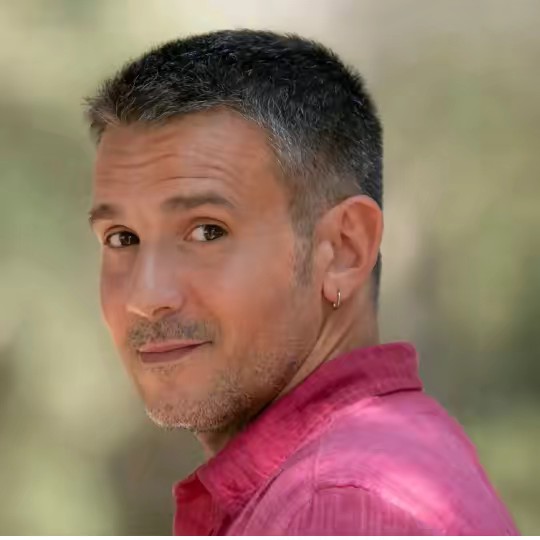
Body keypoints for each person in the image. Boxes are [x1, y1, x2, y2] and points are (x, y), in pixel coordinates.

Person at [85, 29, 518, 535]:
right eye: (122, 238)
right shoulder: (383, 458)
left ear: (344, 250)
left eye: (207, 231)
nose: (145, 297)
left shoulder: (337, 506)